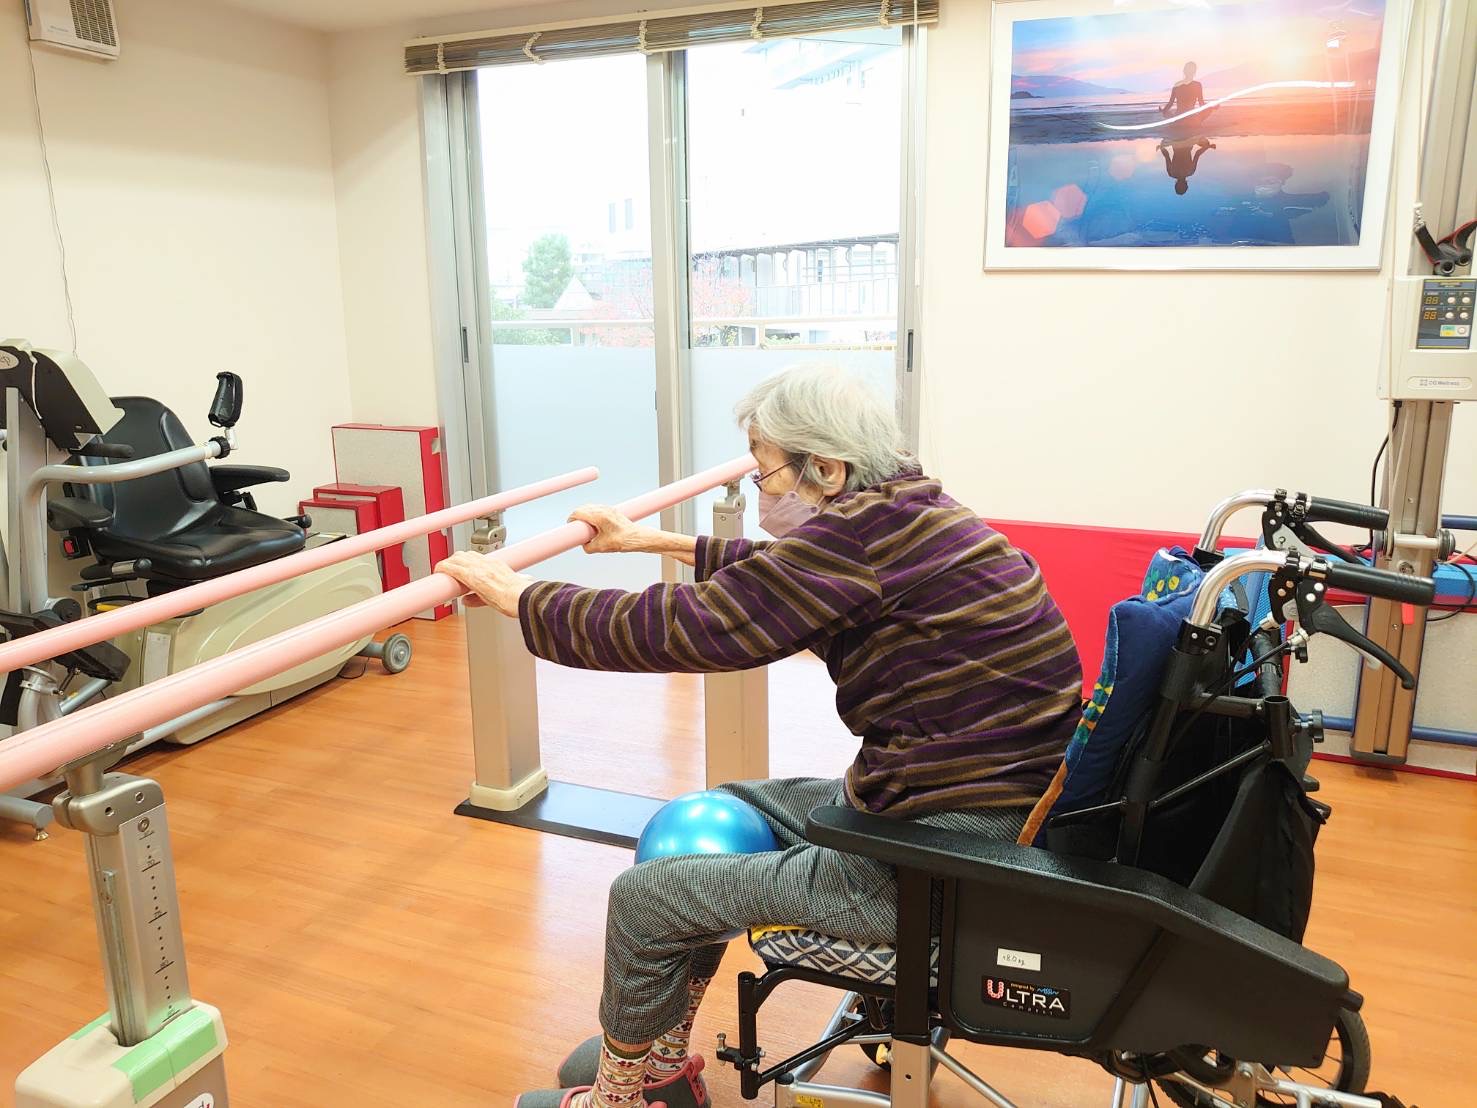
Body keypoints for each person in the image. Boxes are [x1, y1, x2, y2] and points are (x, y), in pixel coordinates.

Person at [435, 364, 1084, 1108]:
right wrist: (648, 541)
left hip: (945, 852)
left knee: (645, 899)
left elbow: (694, 627)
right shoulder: (910, 511)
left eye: (764, 469)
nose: (758, 487)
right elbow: (789, 575)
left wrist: (522, 598)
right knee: (722, 812)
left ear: (826, 469)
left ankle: (619, 1099)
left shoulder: (863, 538)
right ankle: (660, 1062)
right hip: (963, 805)